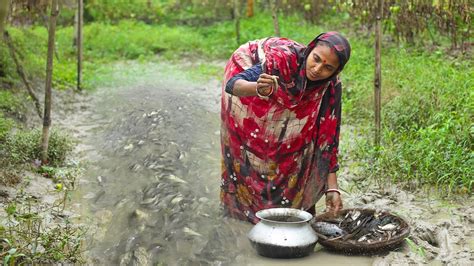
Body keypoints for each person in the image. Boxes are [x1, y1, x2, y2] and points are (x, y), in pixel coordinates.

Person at [220, 32, 351, 224]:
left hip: (276, 90)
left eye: (327, 67)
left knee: (295, 146)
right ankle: (242, 212)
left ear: (335, 71)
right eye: (316, 59)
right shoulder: (282, 60)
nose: (317, 69)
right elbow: (233, 85)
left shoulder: (330, 87)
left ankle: (285, 212)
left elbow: (328, 135)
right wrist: (258, 88)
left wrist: (332, 188)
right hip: (250, 87)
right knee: (255, 145)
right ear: (309, 51)